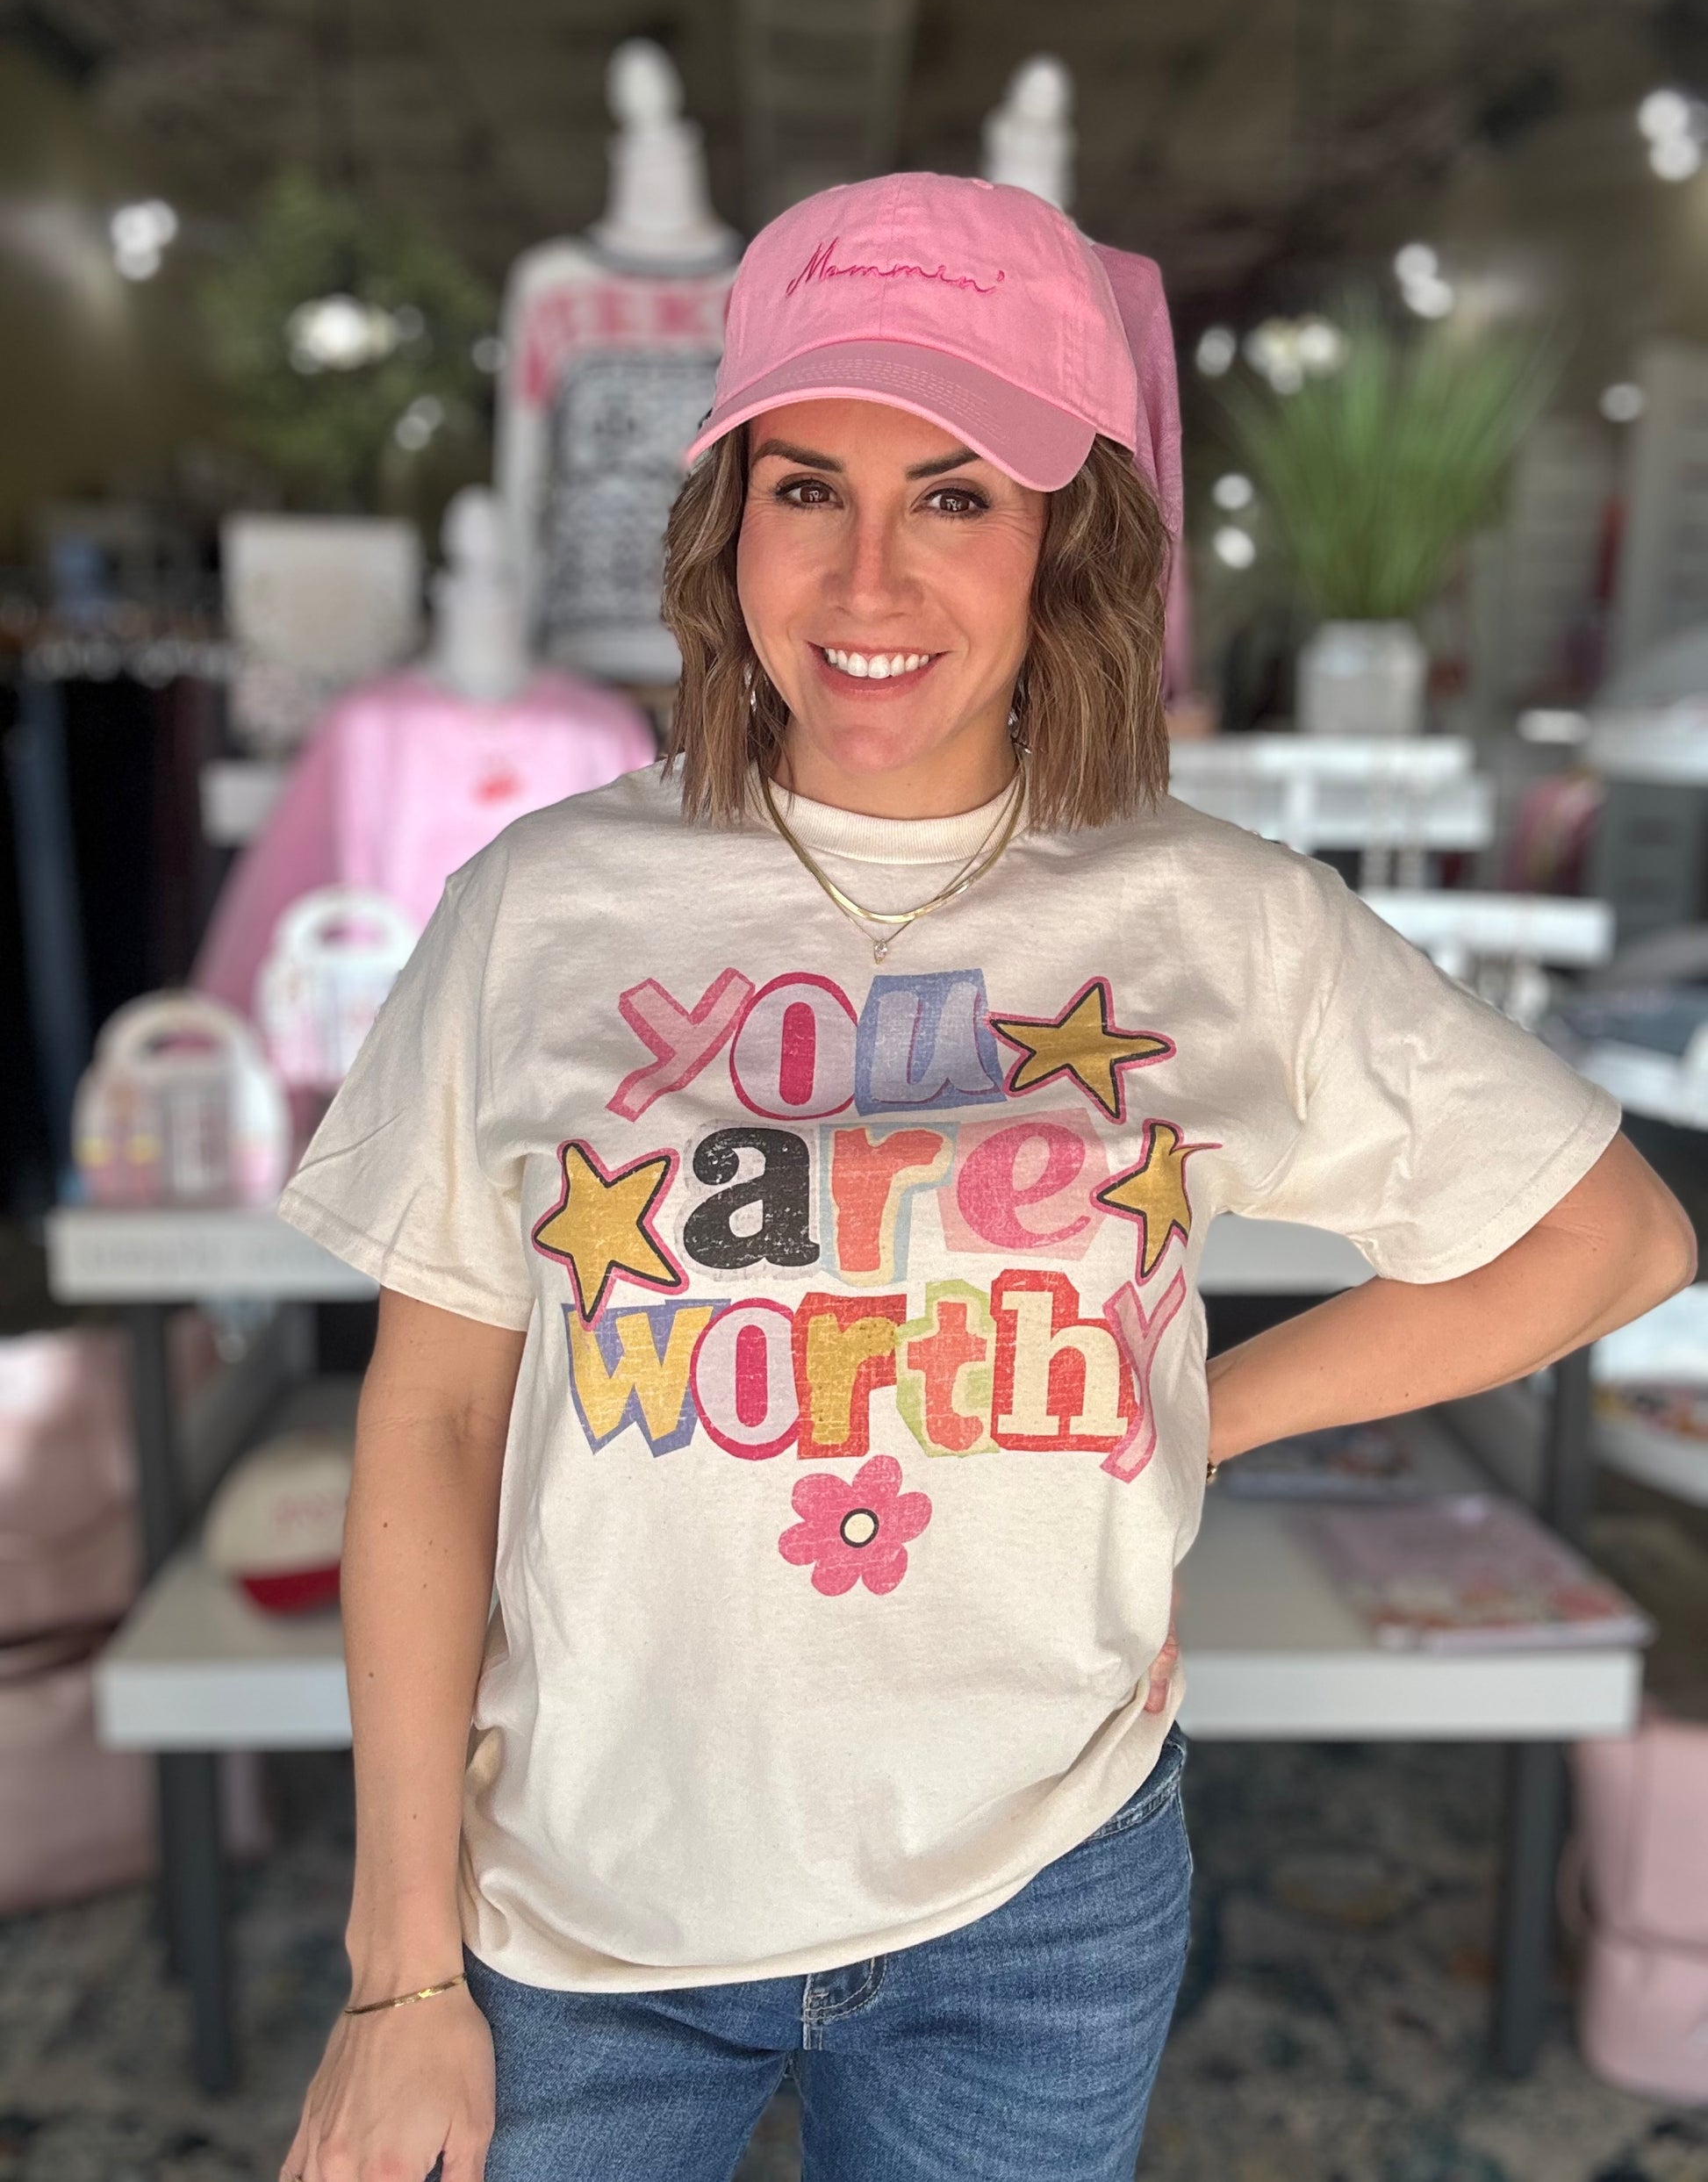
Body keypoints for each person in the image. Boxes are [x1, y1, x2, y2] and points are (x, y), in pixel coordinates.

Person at [275, 174, 1693, 2182]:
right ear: (726, 519)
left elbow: (1607, 1234)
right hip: (581, 1911)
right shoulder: (544, 904)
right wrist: (397, 1967)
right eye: (804, 485)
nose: (866, 577)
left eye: (953, 494)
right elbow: (428, 1419)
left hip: (1034, 1893)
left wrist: (1195, 1417)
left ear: (1062, 536)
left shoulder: (1210, 911)